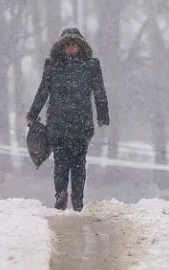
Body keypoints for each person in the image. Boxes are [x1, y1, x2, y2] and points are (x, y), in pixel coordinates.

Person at [26, 27, 110, 211]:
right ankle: (62, 194)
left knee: (78, 162)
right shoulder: (53, 66)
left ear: (81, 46)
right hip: (60, 124)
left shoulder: (91, 66)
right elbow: (43, 92)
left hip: (79, 124)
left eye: (74, 45)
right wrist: (32, 114)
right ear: (62, 47)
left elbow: (100, 93)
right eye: (68, 45)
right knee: (61, 161)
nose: (71, 48)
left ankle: (77, 198)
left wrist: (103, 115)